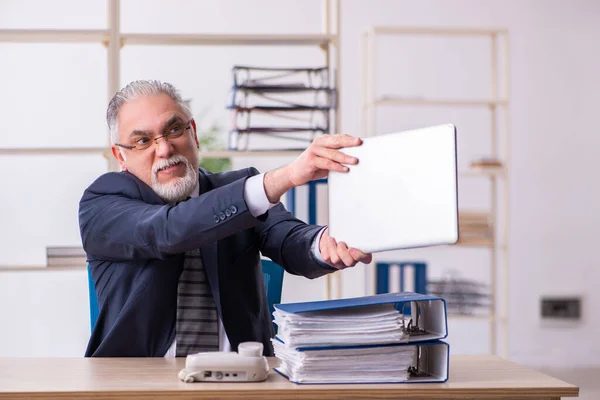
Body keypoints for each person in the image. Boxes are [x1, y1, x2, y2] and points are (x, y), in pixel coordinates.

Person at [79, 80, 372, 357]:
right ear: (120, 156)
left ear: (192, 132)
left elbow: (287, 238)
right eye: (143, 140)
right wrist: (285, 177)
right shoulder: (103, 203)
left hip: (243, 381)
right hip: (136, 385)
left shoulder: (239, 188)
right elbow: (167, 229)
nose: (165, 149)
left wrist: (323, 244)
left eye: (174, 129)